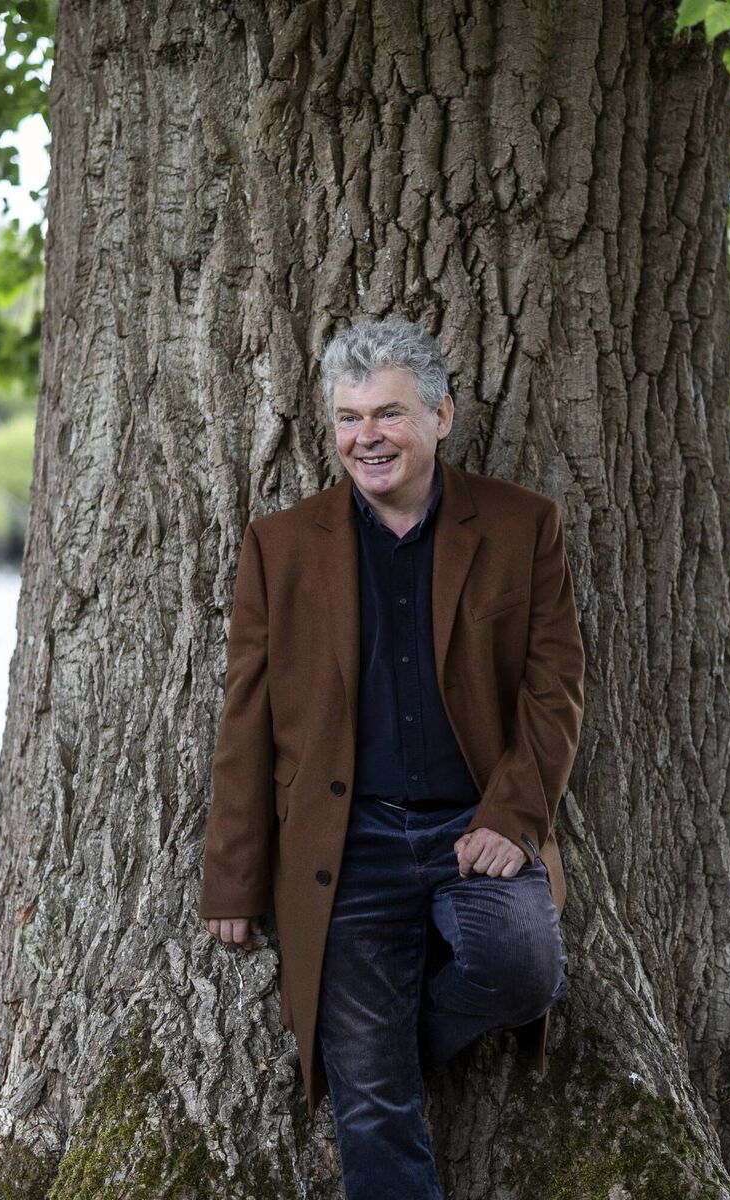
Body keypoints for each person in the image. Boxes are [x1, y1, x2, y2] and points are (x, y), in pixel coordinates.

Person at [199, 318, 585, 1200]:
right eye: (347, 417)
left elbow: (555, 688)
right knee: (371, 1110)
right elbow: (246, 717)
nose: (364, 437)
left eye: (388, 414)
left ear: (443, 416)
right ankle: (370, 1063)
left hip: (474, 825)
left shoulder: (524, 526)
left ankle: (375, 1048)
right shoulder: (282, 545)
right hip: (344, 842)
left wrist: (512, 816)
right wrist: (233, 877)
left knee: (523, 969)